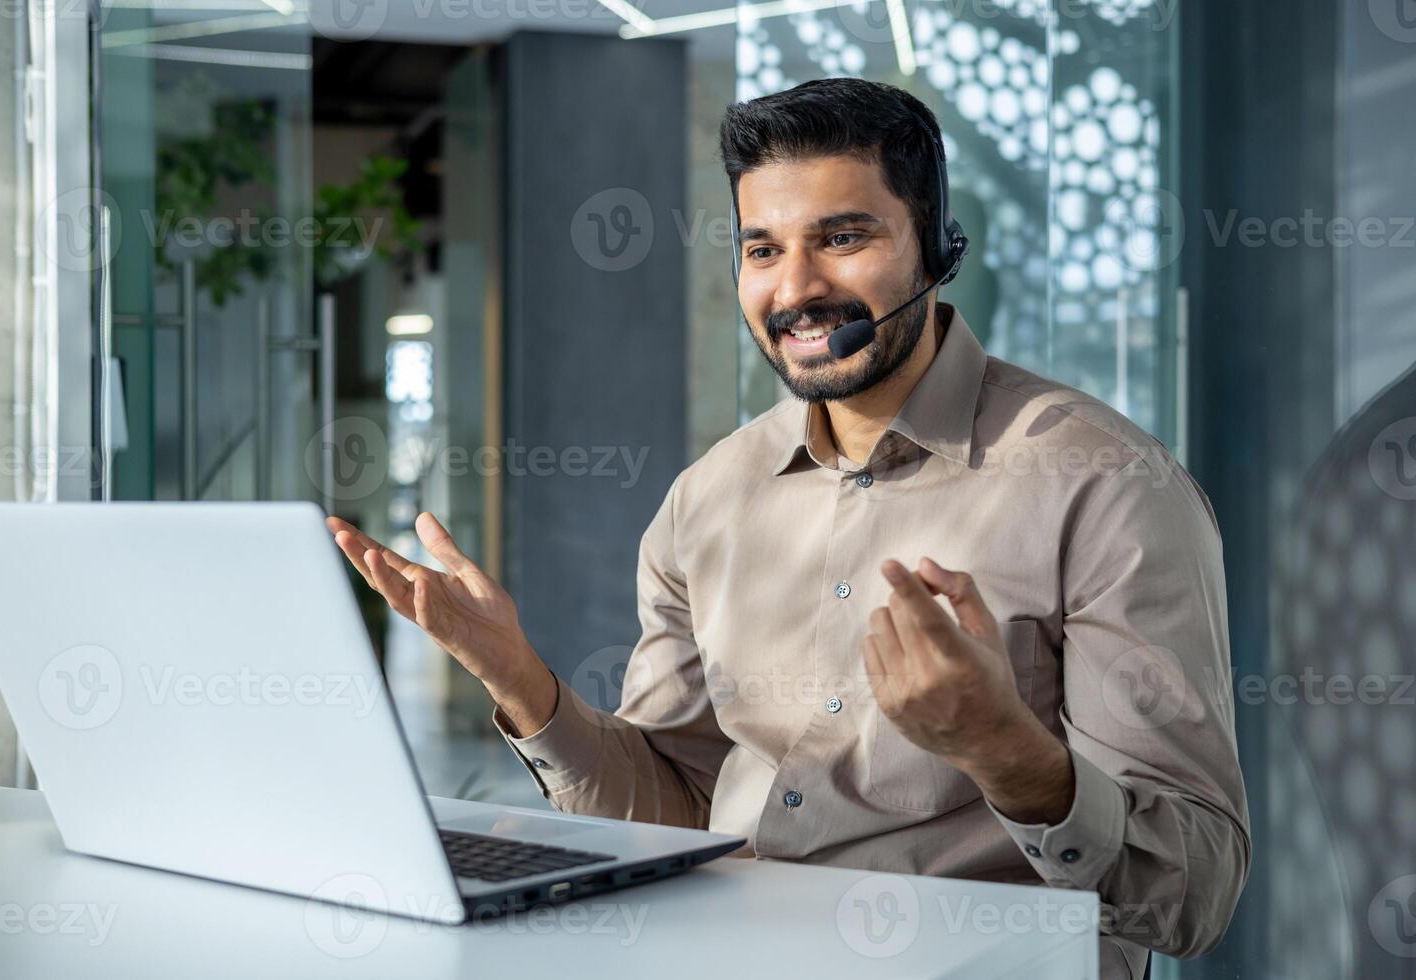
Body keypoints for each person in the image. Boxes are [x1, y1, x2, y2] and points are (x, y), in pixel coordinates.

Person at [328, 78, 1249, 980]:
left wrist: (1004, 750)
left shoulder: (1108, 488)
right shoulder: (709, 499)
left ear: (936, 246)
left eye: (843, 238)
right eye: (762, 249)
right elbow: (673, 815)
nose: (797, 287)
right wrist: (522, 682)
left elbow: (1195, 896)